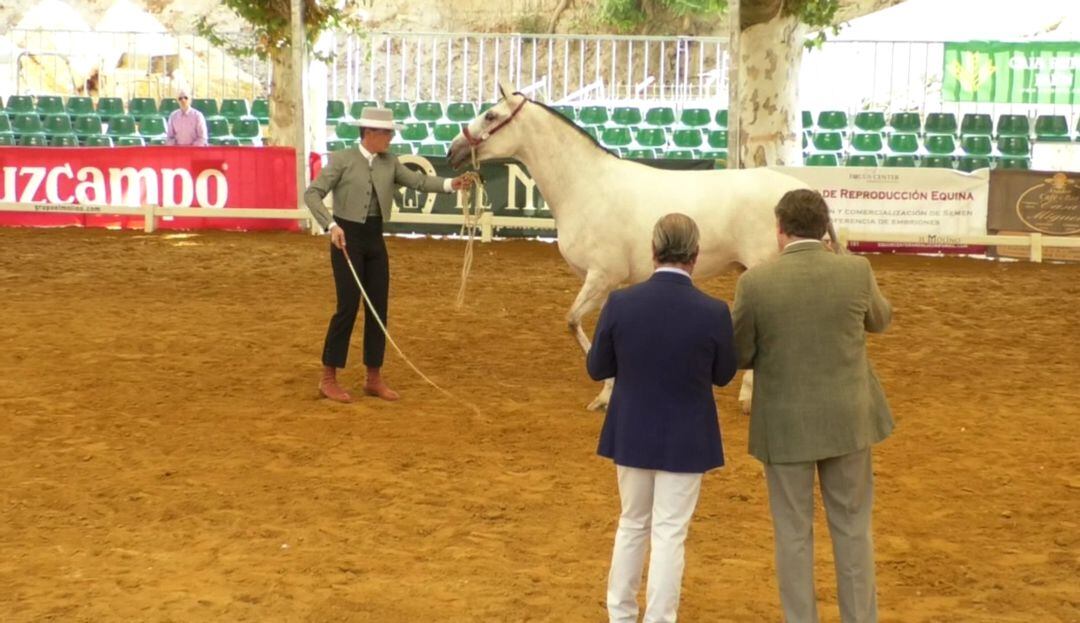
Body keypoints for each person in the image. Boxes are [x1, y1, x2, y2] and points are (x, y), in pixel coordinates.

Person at [732, 189, 893, 623]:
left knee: (793, 534)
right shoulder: (855, 270)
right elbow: (880, 319)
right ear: (825, 229)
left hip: (784, 425)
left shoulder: (755, 282)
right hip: (848, 420)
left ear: (780, 230)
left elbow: (740, 352)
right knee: (853, 529)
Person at [586, 213, 737, 623]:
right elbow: (724, 376)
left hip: (632, 430)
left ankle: (620, 615)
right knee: (670, 532)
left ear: (653, 252)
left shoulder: (621, 302)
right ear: (695, 254)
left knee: (632, 524)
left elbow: (597, 367)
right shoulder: (714, 311)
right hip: (687, 436)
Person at [305, 107, 473, 403]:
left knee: (378, 307)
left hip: (374, 238)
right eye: (387, 132)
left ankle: (373, 377)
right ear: (370, 133)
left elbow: (419, 182)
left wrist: (451, 184)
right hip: (347, 238)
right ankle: (328, 377)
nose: (391, 137)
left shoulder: (390, 162)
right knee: (347, 306)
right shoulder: (342, 160)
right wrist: (330, 225)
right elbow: (313, 193)